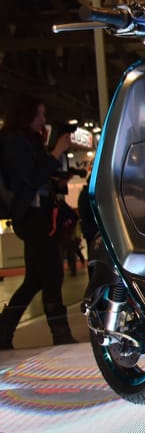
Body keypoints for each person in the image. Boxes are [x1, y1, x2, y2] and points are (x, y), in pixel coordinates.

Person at [0, 95, 76, 349]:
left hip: (38, 215)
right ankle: (60, 334)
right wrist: (56, 153)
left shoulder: (28, 141)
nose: (43, 119)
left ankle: (3, 331)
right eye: (39, 114)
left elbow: (38, 176)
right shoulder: (14, 142)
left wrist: (57, 179)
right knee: (52, 274)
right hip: (30, 217)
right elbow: (30, 179)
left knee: (34, 280)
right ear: (27, 115)